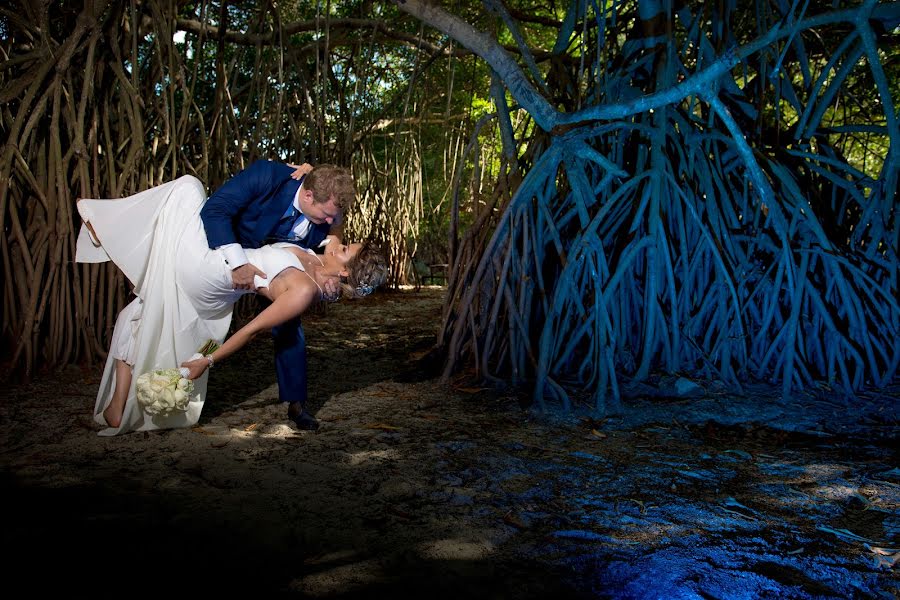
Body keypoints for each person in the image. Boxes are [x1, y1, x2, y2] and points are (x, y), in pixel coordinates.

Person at [75, 169, 387, 436]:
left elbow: (251, 330)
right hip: (220, 300)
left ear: (345, 269)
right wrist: (309, 176)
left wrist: (206, 361)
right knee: (137, 313)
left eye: (344, 247)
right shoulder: (317, 262)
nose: (336, 237)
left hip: (209, 271)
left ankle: (107, 227)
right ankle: (117, 409)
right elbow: (333, 223)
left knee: (187, 187)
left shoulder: (305, 290)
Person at [199, 160, 354, 428]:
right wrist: (238, 263)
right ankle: (193, 366)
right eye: (326, 215)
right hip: (234, 254)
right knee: (215, 322)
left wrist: (335, 239)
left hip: (284, 265)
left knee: (289, 324)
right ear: (307, 195)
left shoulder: (327, 202)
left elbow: (336, 222)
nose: (330, 222)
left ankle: (296, 403)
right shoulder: (268, 176)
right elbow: (215, 210)